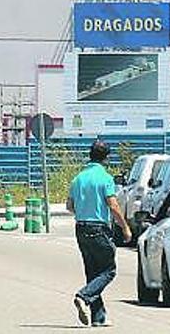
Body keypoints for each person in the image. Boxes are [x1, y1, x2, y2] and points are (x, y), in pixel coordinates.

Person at [67, 140, 132, 327]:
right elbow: (113, 205)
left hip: (81, 228)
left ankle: (98, 316)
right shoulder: (105, 178)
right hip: (99, 229)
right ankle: (83, 296)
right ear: (106, 158)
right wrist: (125, 227)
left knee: (92, 272)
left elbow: (69, 206)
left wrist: (84, 210)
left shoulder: (78, 178)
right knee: (108, 271)